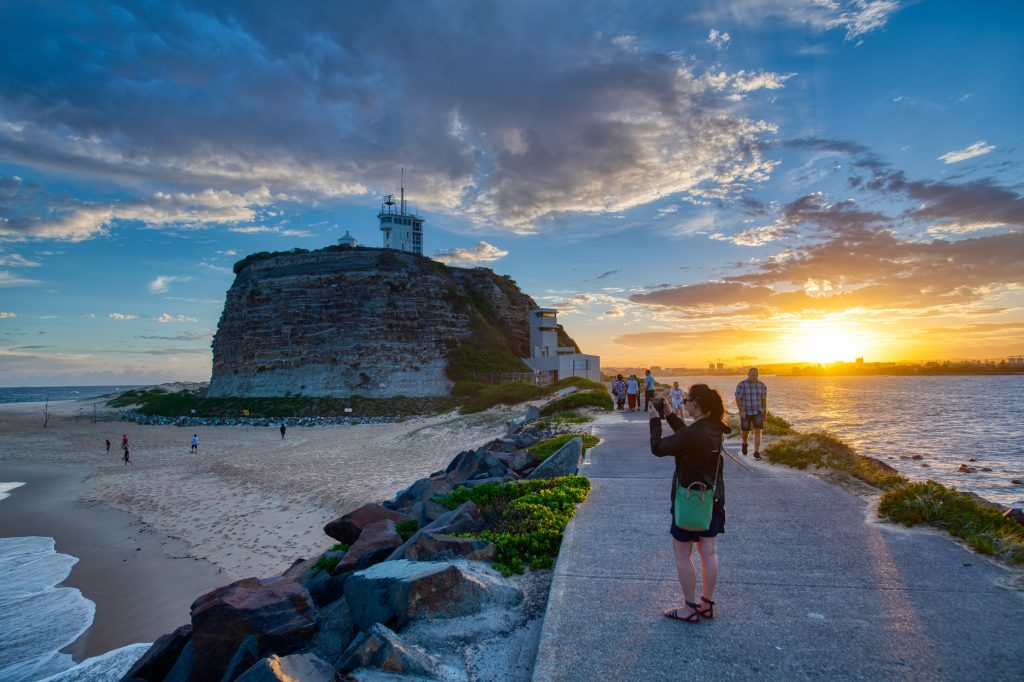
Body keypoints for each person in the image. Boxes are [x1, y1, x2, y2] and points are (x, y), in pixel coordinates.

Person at [649, 384, 730, 623]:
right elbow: (689, 436)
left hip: (689, 501)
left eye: (687, 401)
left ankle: (689, 608)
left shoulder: (694, 434)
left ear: (696, 404)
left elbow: (658, 448)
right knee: (709, 551)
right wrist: (670, 416)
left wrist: (655, 421)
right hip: (712, 499)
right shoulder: (715, 427)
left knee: (683, 553)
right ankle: (705, 604)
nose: (685, 403)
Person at [735, 367, 768, 459]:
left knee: (758, 430)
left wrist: (765, 413)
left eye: (756, 375)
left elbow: (764, 400)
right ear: (748, 375)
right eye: (753, 375)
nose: (755, 377)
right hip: (745, 412)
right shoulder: (742, 385)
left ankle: (756, 452)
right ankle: (744, 443)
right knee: (745, 431)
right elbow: (738, 399)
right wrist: (741, 411)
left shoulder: (762, 385)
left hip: (758, 412)